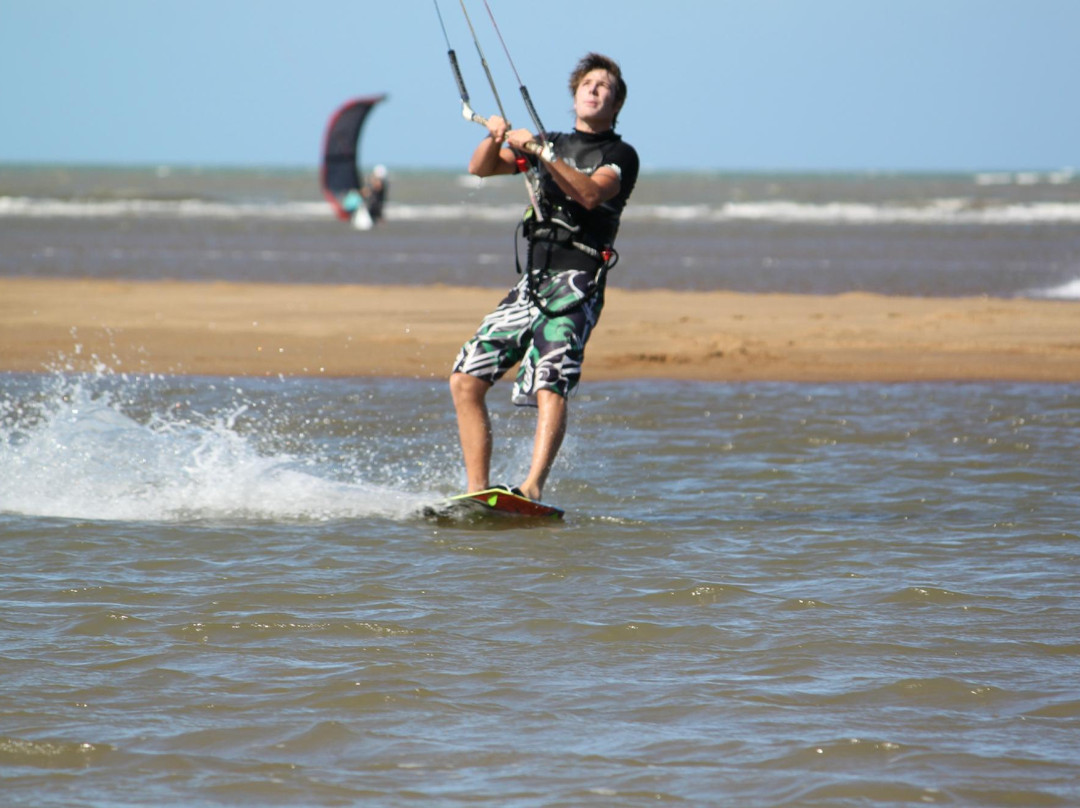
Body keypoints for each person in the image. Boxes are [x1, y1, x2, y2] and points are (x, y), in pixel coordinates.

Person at [449, 53, 639, 503]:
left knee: (550, 382)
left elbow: (590, 194)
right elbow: (481, 167)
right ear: (575, 95)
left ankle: (531, 486)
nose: (595, 90)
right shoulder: (549, 141)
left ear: (615, 105)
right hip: (532, 282)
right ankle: (477, 491)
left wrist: (539, 153)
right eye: (588, 84)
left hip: (578, 280)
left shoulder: (619, 155)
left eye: (605, 87)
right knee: (465, 379)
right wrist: (496, 137)